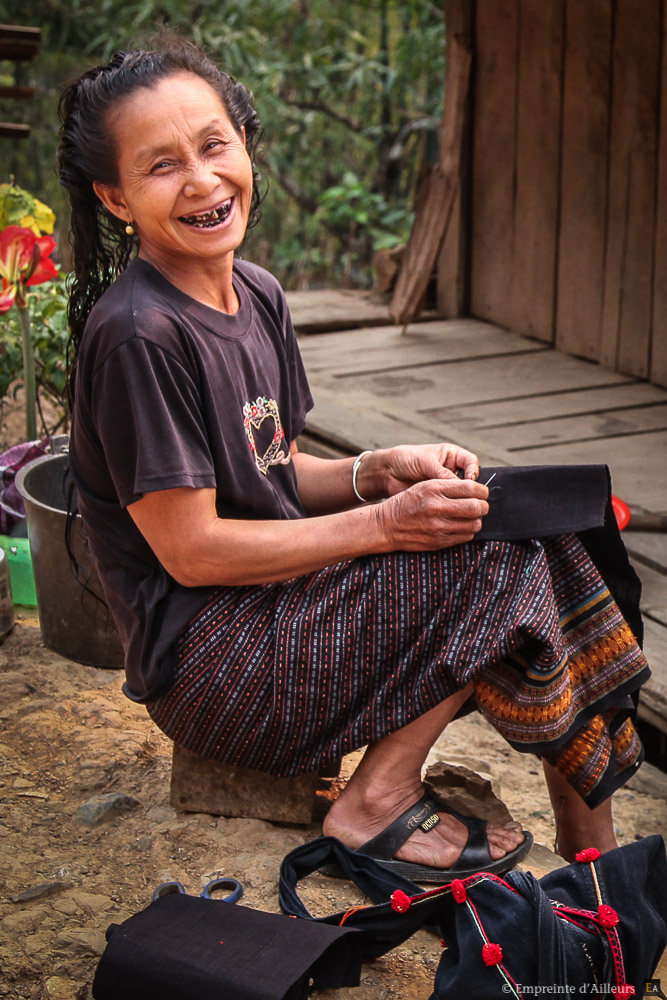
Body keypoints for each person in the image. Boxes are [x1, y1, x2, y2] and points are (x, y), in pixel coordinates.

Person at [58, 38, 650, 882]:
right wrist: (381, 526)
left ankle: (591, 844)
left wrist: (375, 471)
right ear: (115, 198)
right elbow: (193, 550)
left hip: (277, 610)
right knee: (499, 567)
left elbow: (272, 472)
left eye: (213, 144)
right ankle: (380, 799)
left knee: (537, 520)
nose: (200, 180)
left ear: (245, 145)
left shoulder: (255, 292)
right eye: (161, 166)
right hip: (213, 667)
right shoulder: (137, 337)